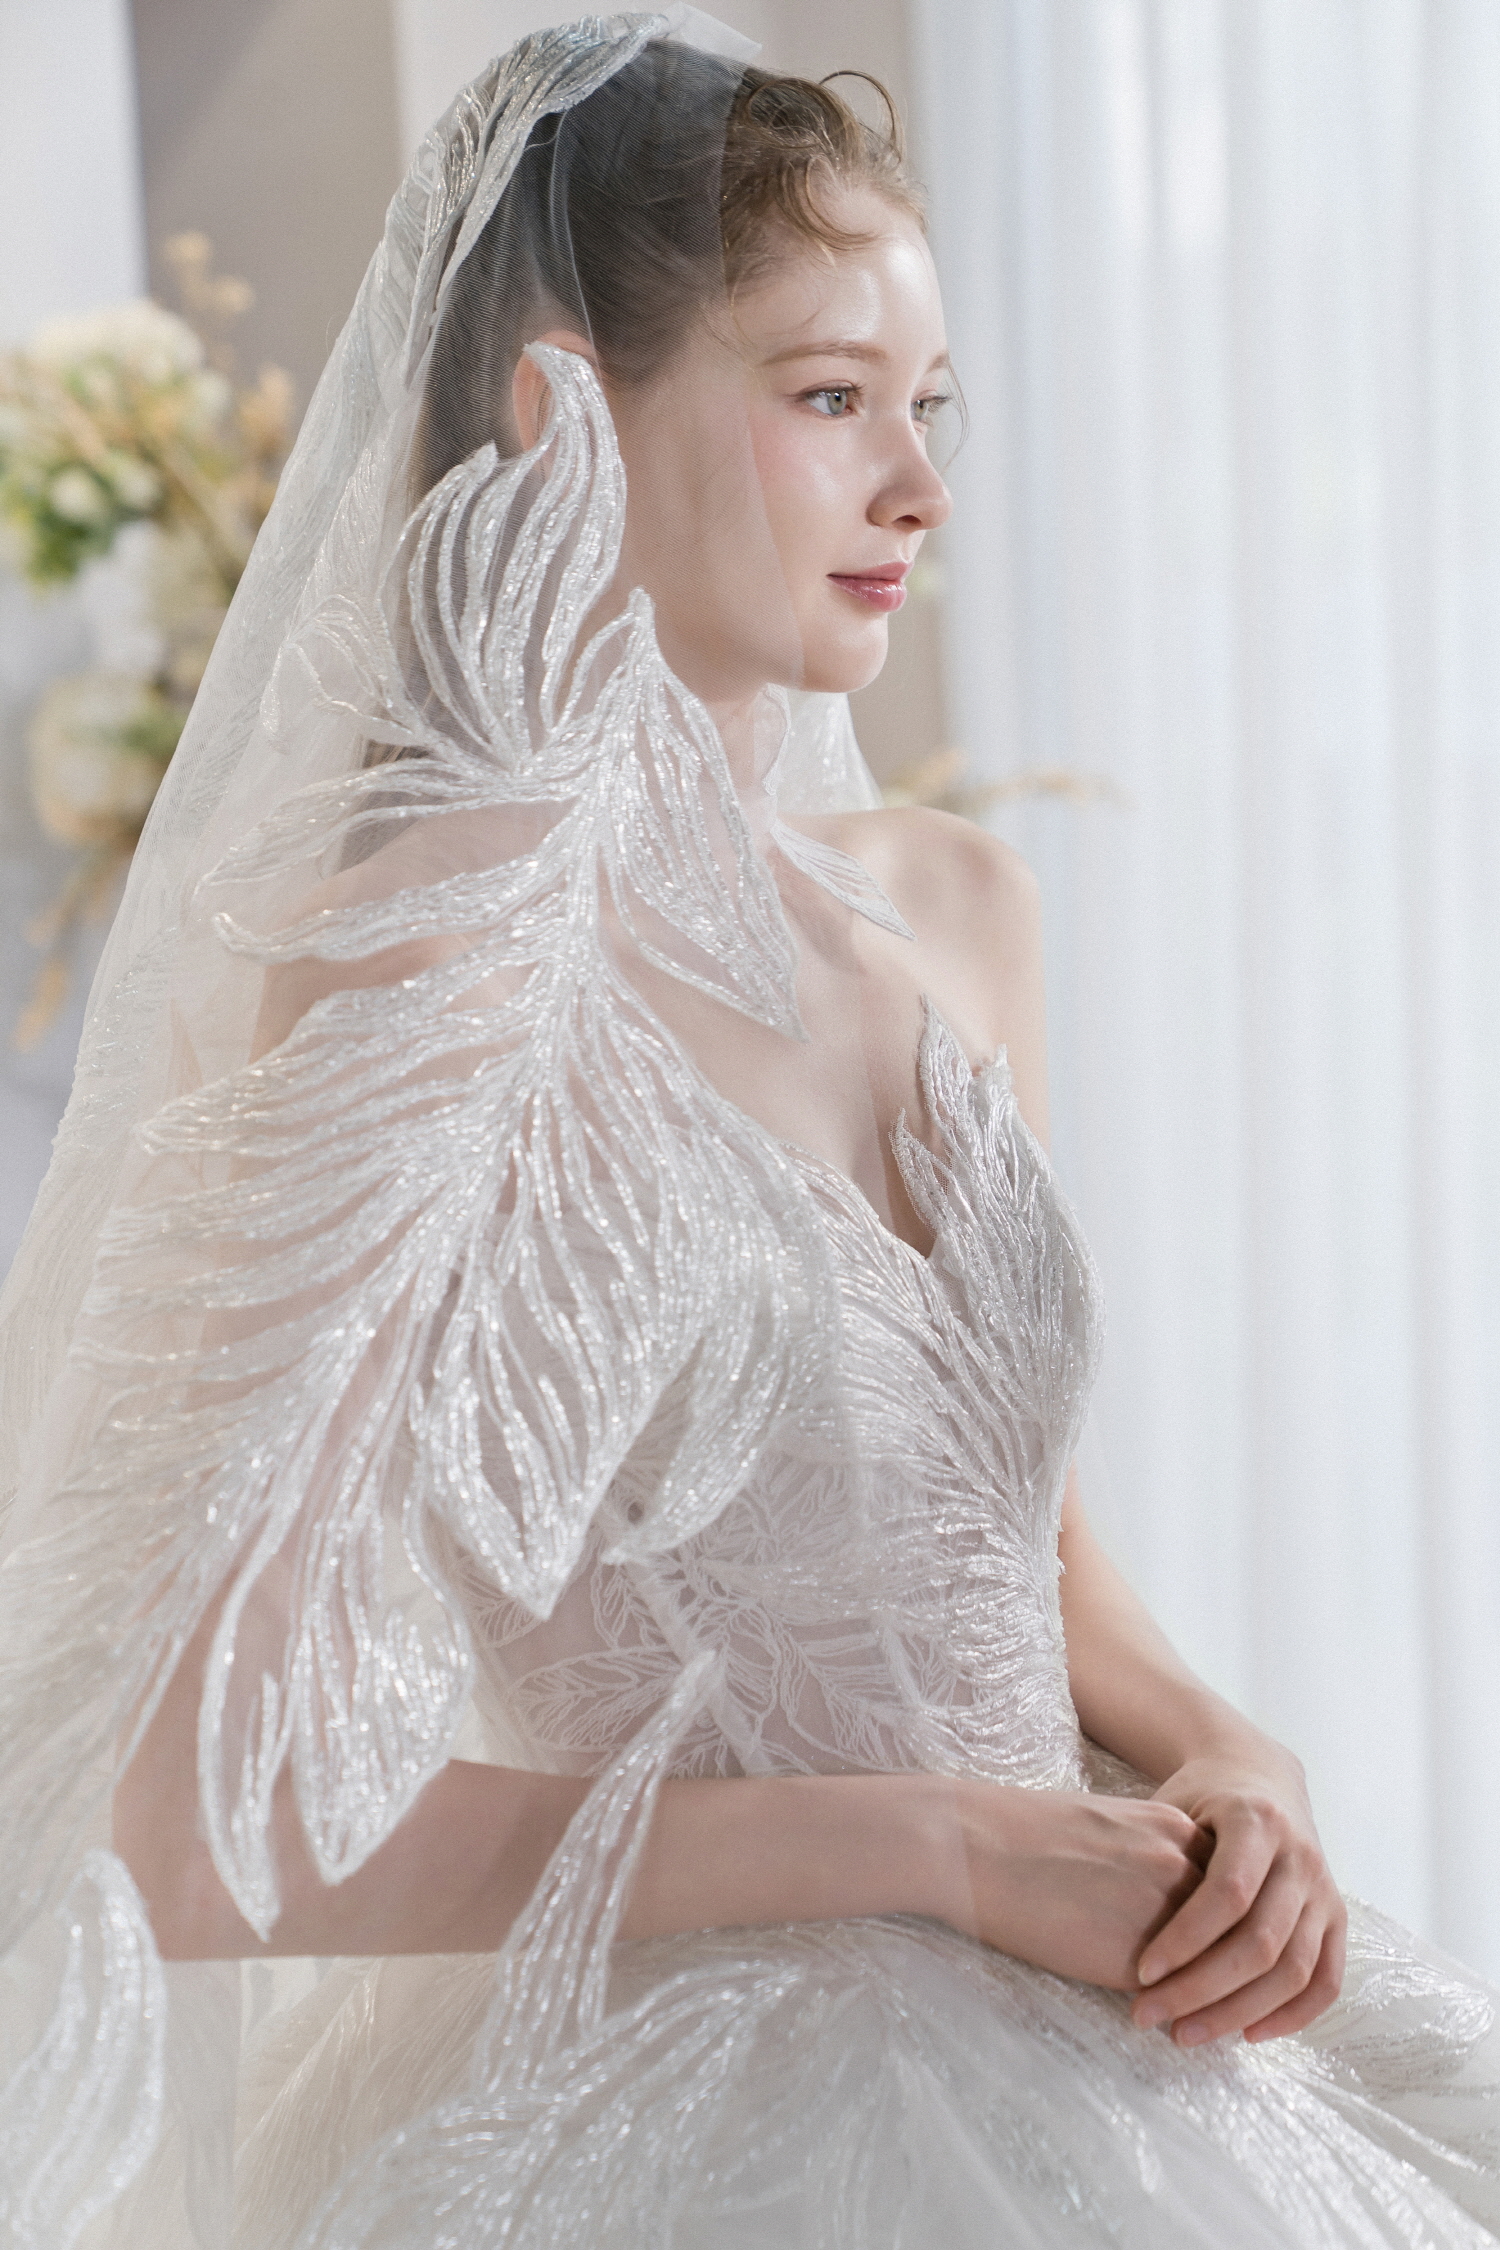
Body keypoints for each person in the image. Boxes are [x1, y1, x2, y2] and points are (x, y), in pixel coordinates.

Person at [0, 16, 1496, 2247]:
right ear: (561, 415)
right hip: (714, 2111)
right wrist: (943, 1843)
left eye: (928, 406)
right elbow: (206, 1825)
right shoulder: (421, 967)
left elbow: (1021, 1545)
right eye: (827, 398)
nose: (919, 487)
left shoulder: (960, 913)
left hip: (1133, 2017)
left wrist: (1225, 1749)